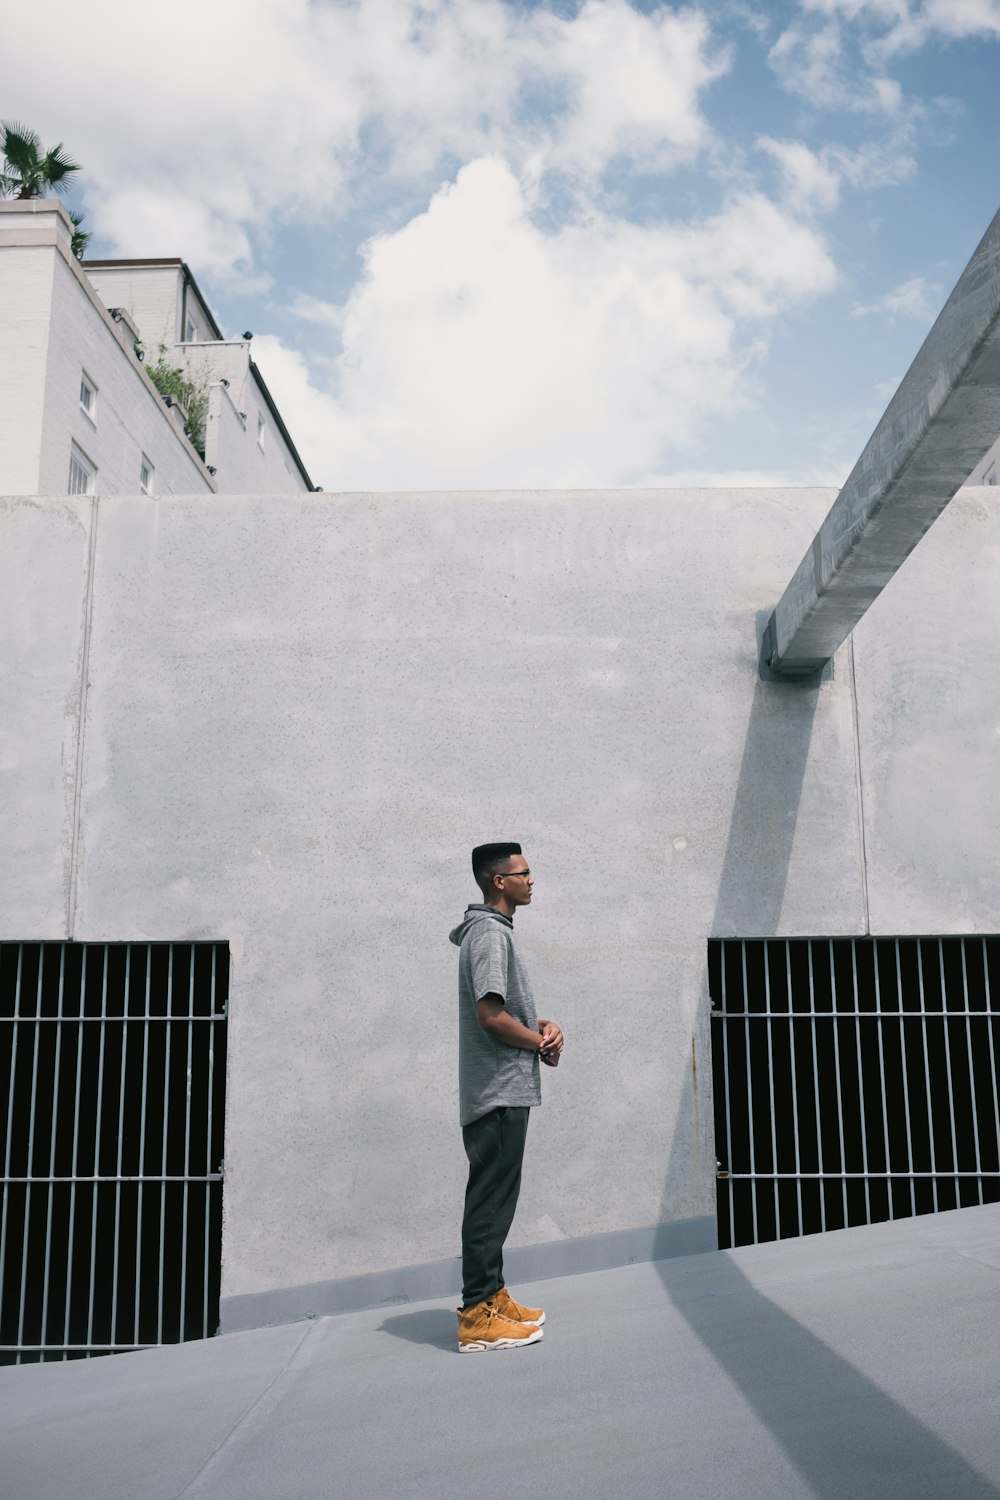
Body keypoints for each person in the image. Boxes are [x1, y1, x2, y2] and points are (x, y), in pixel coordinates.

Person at [449, 842, 564, 1352]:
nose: (532, 880)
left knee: (497, 1199)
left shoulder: (492, 934)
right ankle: (478, 1316)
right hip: (497, 1091)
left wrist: (542, 1025)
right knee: (490, 1202)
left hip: (500, 1087)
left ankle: (493, 1296)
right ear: (500, 881)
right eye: (525, 872)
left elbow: (506, 1010)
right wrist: (538, 1043)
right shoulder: (491, 936)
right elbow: (490, 1018)